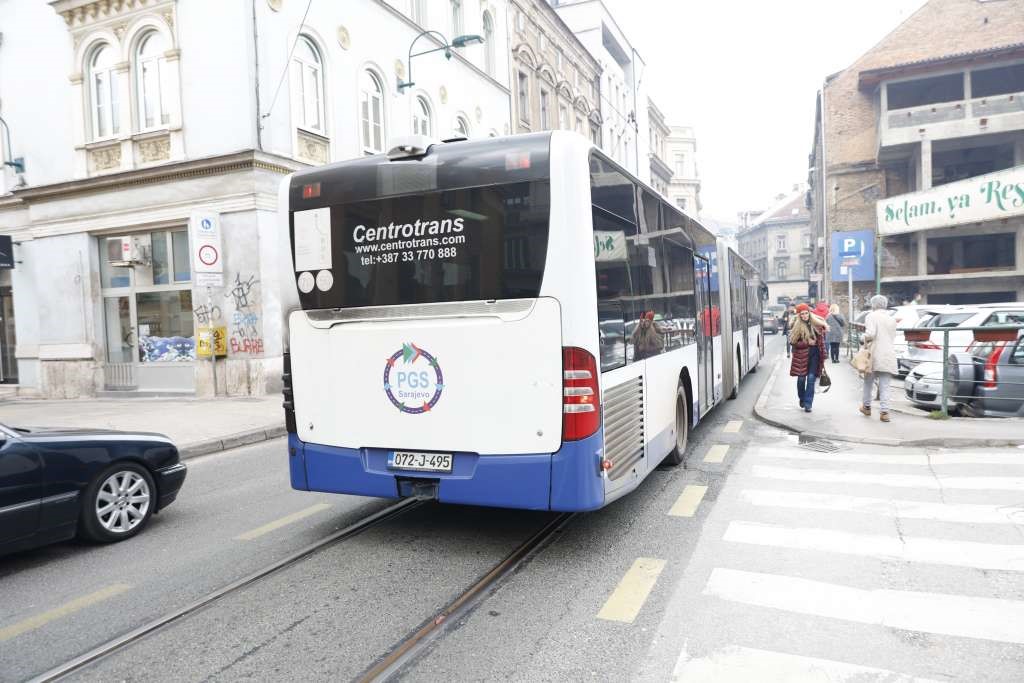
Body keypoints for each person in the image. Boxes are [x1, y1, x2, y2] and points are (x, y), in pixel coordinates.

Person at [860, 294, 898, 422]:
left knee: (868, 383)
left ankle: (866, 407)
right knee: (885, 385)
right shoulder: (891, 318)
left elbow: (870, 334)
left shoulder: (871, 316)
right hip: (888, 354)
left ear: (873, 305)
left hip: (874, 354)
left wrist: (862, 338)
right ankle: (884, 412)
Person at [789, 303, 827, 412]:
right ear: (799, 315)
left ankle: (808, 403)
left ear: (809, 313)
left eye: (806, 313)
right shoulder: (796, 326)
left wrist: (824, 355)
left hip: (815, 356)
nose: (805, 315)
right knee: (801, 380)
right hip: (801, 357)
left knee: (811, 379)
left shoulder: (816, 325)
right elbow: (793, 343)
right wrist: (807, 343)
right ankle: (802, 398)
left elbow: (822, 342)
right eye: (802, 314)